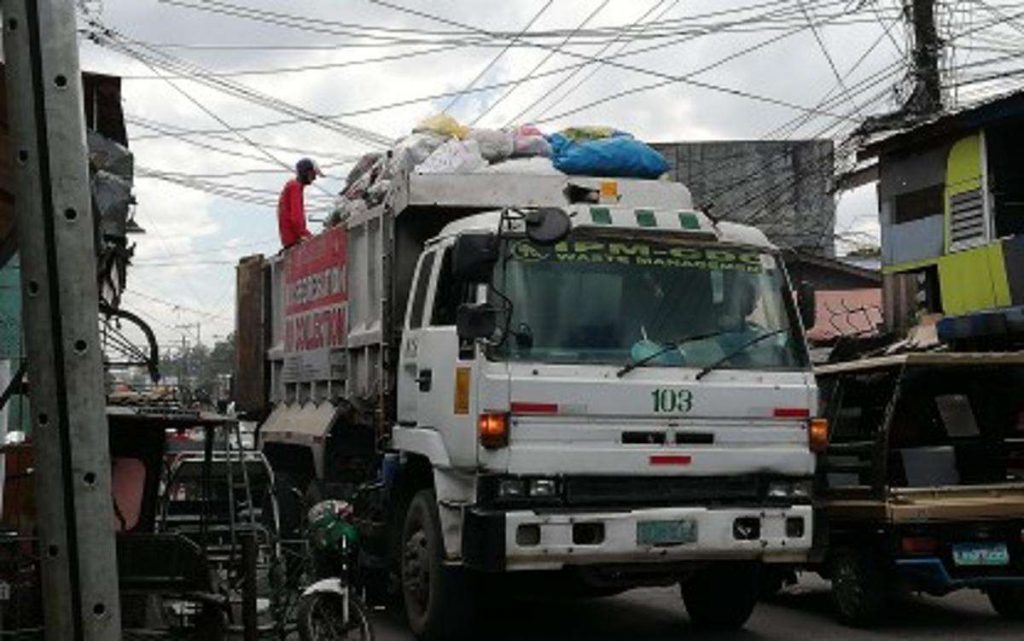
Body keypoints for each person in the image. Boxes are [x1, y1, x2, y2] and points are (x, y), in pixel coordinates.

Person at [277, 157, 324, 249]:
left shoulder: (291, 185)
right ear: (306, 172)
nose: (314, 178)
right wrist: (306, 235)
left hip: (289, 240)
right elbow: (296, 217)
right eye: (313, 174)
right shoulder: (295, 187)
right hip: (294, 239)